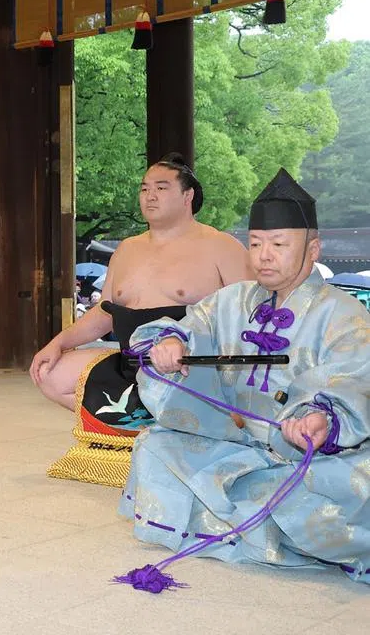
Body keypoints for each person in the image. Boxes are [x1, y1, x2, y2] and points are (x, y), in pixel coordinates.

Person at [125, 168, 370, 585]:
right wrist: (170, 343)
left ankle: (257, 528)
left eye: (278, 244)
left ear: (313, 249)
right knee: (154, 444)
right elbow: (189, 327)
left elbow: (356, 380)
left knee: (353, 485)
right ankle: (256, 529)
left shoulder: (344, 313)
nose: (263, 255)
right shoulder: (231, 300)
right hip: (234, 438)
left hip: (304, 451)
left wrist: (323, 421)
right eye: (255, 244)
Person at [35, 155, 253, 487]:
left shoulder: (221, 246)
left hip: (190, 366)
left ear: (187, 196)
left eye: (161, 188)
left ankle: (187, 441)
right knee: (48, 372)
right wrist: (58, 343)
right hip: (129, 360)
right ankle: (137, 437)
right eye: (144, 188)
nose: (149, 195)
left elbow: (248, 316)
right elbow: (105, 312)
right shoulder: (126, 249)